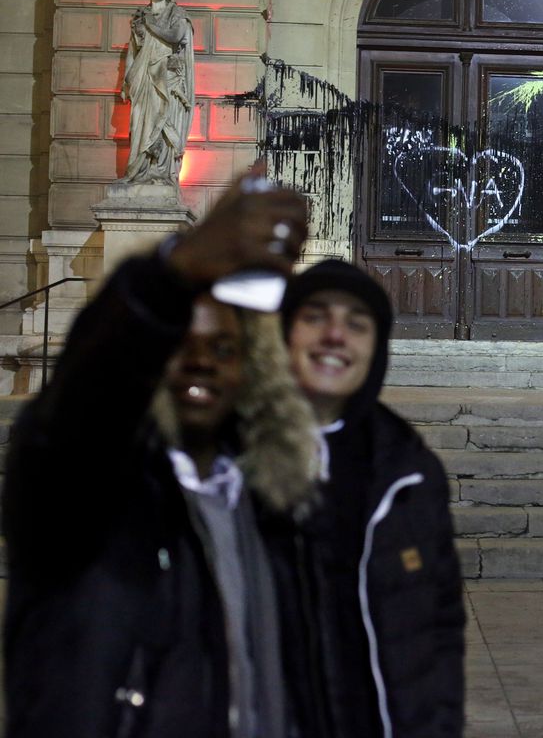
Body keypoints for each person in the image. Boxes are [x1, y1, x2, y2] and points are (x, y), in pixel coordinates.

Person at [2, 170, 315, 737]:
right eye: (178, 344)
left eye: (223, 347)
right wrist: (173, 270)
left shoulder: (259, 504)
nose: (202, 362)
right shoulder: (91, 488)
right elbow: (77, 411)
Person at [270, 260, 466, 737]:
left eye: (357, 324)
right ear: (282, 334)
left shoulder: (410, 473)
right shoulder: (224, 460)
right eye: (315, 317)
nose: (335, 335)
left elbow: (440, 629)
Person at [121, 0, 194, 185]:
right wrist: (126, 81)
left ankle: (160, 172)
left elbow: (175, 36)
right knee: (138, 125)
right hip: (142, 77)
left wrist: (151, 25)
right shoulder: (139, 17)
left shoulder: (177, 14)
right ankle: (138, 171)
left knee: (163, 123)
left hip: (167, 77)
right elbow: (133, 52)